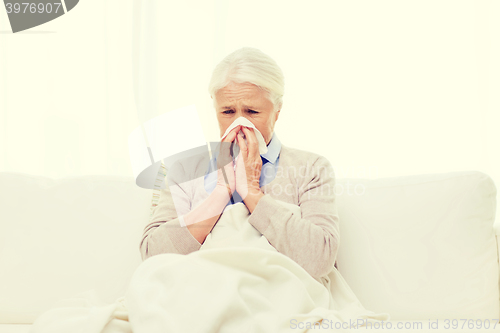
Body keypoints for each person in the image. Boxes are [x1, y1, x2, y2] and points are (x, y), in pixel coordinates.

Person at [140, 47, 339, 280]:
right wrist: (220, 193)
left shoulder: (312, 168)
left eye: (252, 111)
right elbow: (153, 256)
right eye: (227, 111)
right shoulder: (186, 170)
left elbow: (320, 259)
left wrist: (251, 192)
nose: (240, 123)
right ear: (214, 108)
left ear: (277, 111)